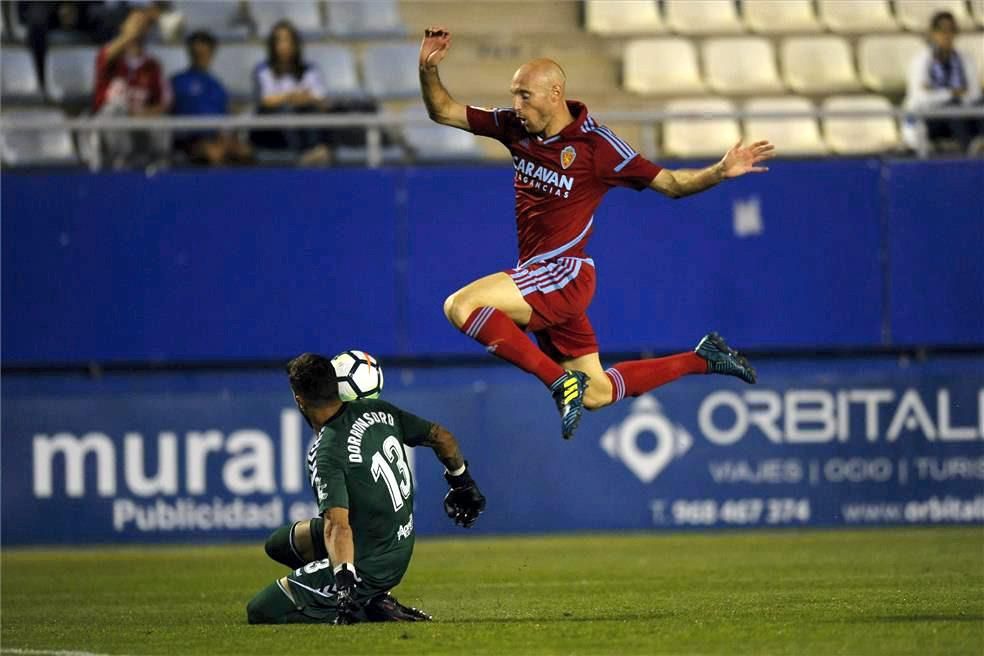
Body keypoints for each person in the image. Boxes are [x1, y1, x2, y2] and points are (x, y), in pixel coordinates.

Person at [419, 27, 774, 441]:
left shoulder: (597, 147)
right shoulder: (513, 127)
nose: (516, 105)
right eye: (514, 94)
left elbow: (672, 184)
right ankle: (705, 358)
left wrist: (719, 171)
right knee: (598, 393)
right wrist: (427, 69)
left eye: (524, 95)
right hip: (540, 274)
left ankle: (558, 382)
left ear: (555, 94)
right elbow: (443, 110)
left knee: (460, 306)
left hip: (564, 273)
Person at [246, 353, 486, 624]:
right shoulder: (377, 410)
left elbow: (337, 526)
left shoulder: (325, 452)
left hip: (373, 561)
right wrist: (461, 482)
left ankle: (368, 604)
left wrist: (345, 583)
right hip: (396, 539)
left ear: (299, 400)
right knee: (279, 544)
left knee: (260, 610)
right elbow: (443, 437)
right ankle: (368, 597)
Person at [91, 6, 170, 168]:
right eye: (135, 21)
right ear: (123, 26)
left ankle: (160, 168)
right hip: (110, 126)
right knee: (115, 110)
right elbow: (106, 55)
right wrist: (129, 34)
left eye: (144, 23)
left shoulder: (153, 65)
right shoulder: (109, 56)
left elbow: (162, 104)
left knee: (162, 121)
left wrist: (140, 114)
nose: (140, 26)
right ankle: (121, 163)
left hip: (140, 122)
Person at [251, 20, 332, 165]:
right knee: (286, 109)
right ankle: (303, 155)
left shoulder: (310, 69)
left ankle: (314, 150)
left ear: (295, 44)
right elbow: (265, 100)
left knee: (312, 110)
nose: (284, 46)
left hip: (305, 118)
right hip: (273, 129)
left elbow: (323, 101)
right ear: (272, 45)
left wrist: (307, 98)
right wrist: (289, 97)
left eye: (288, 40)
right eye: (279, 41)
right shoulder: (264, 70)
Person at [903, 11, 983, 156]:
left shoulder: (965, 59)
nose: (947, 35)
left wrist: (937, 92)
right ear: (933, 33)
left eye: (952, 30)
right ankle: (971, 151)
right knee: (952, 107)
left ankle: (980, 143)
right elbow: (919, 98)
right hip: (931, 119)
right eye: (942, 30)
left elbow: (974, 94)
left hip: (962, 112)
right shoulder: (921, 62)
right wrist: (951, 93)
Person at [170, 30, 252, 166]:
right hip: (188, 141)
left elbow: (225, 116)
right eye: (197, 53)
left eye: (205, 53)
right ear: (190, 53)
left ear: (212, 53)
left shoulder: (217, 86)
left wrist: (226, 138)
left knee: (244, 151)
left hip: (217, 138)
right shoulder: (177, 82)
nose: (201, 57)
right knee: (213, 153)